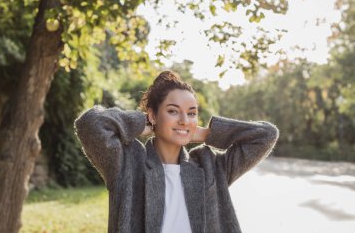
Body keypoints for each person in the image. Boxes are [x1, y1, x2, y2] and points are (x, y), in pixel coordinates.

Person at [74, 70, 279, 233]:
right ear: (153, 115)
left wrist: (208, 134)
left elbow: (266, 135)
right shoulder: (127, 163)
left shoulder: (211, 165)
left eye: (191, 113)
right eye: (173, 111)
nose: (184, 120)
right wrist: (139, 124)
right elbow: (89, 124)